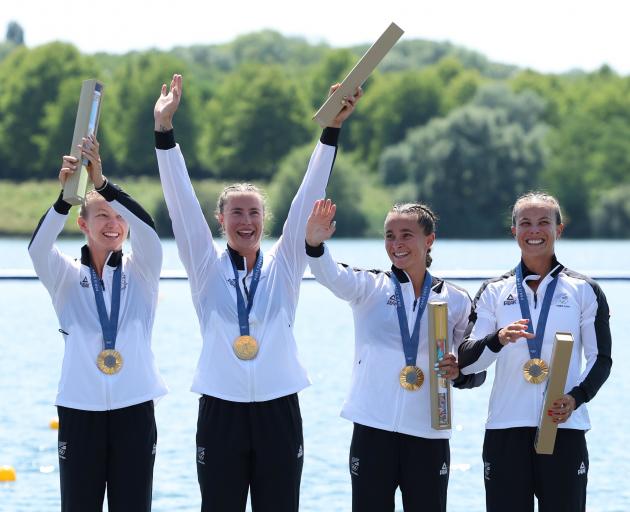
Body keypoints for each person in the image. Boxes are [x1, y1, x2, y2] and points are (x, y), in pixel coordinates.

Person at [153, 74, 361, 512]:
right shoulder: (205, 267)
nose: (245, 221)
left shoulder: (285, 265)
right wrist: (164, 132)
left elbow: (308, 195)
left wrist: (332, 131)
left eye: (254, 212)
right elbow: (180, 204)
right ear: (220, 220)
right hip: (221, 411)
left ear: (265, 220)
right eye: (236, 213)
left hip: (277, 412)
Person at [305, 199, 486, 512]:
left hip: (428, 434)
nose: (396, 244)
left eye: (406, 235)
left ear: (429, 240)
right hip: (372, 431)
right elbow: (330, 275)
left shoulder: (456, 299)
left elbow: (475, 365)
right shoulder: (369, 287)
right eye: (389, 235)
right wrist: (314, 243)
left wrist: (461, 373)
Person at [28, 135, 168, 511]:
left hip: (135, 410)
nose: (114, 224)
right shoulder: (65, 276)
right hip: (78, 412)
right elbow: (38, 247)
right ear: (83, 223)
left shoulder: (142, 271)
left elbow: (150, 232)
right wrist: (65, 196)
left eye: (119, 217)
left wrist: (104, 185)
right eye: (103, 215)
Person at [458, 191, 612, 512]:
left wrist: (576, 397)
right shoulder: (494, 291)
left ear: (559, 229)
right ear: (514, 231)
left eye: (544, 222)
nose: (534, 231)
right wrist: (498, 339)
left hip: (564, 427)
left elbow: (600, 359)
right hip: (505, 430)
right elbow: (469, 361)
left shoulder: (585, 290)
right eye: (525, 223)